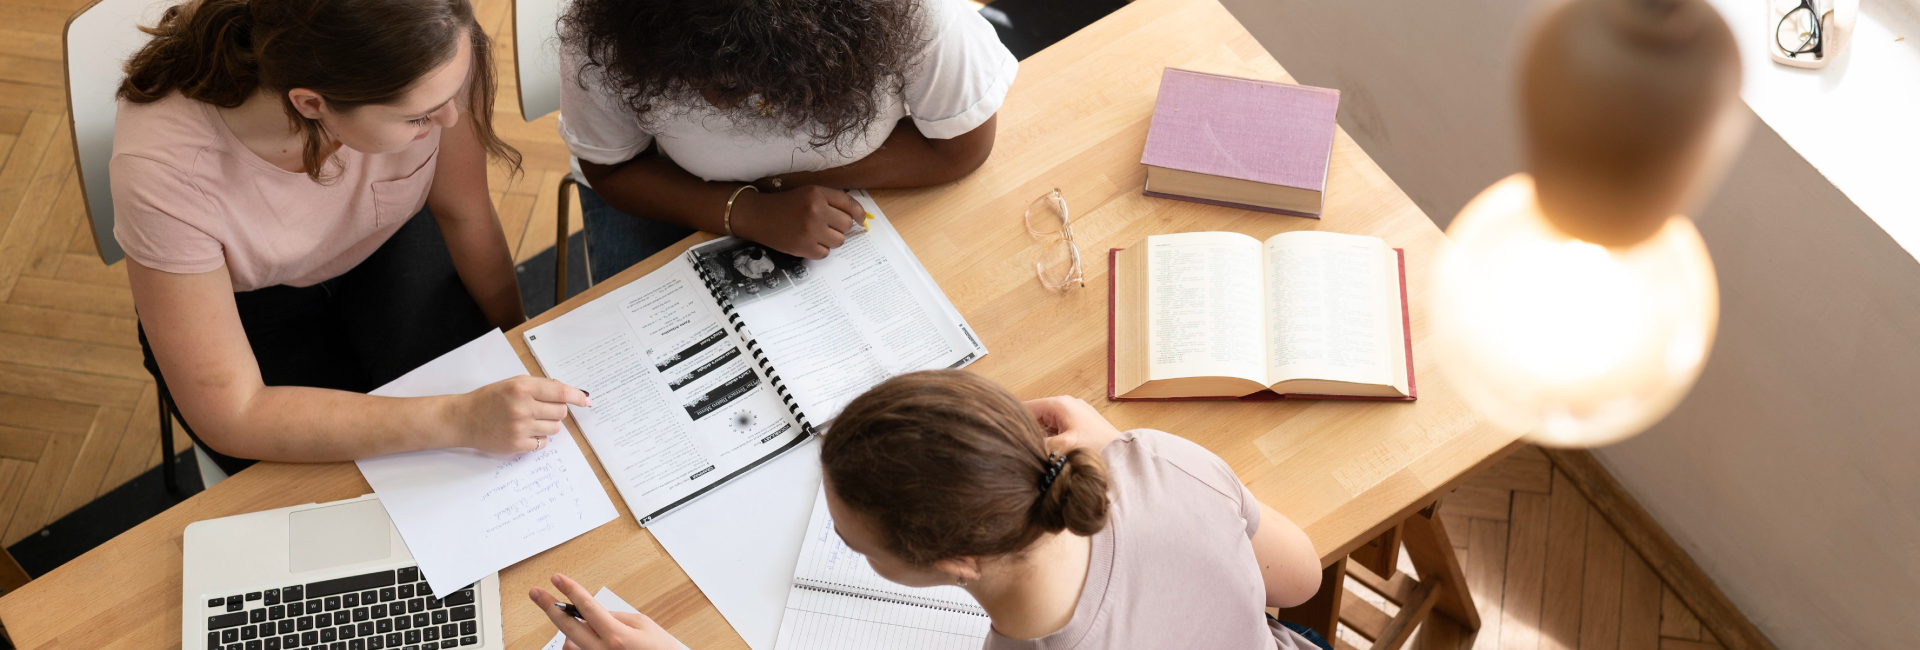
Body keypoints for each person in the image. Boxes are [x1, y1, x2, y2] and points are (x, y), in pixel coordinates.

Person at [114, 0, 589, 475]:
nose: (450, 118)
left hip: (384, 246)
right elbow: (234, 413)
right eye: (419, 118)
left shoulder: (435, 52)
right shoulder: (163, 171)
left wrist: (515, 341)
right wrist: (455, 417)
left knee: (478, 450)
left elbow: (465, 214)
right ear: (311, 104)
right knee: (360, 486)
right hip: (247, 308)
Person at [529, 370, 1332, 650]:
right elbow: (1296, 581)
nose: (844, 545)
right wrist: (1126, 449)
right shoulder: (1156, 458)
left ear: (956, 563)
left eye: (855, 545)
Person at [556, 0, 1017, 281]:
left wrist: (779, 183)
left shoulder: (910, 10)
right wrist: (748, 211)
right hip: (668, 185)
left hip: (848, 196)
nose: (714, 103)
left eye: (737, 83)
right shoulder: (602, 34)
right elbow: (610, 169)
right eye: (694, 75)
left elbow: (963, 146)